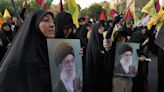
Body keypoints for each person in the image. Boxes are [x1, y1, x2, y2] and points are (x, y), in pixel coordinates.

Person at [0, 9, 55, 92]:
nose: (52, 25)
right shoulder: (22, 59)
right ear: (34, 24)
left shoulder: (50, 49)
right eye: (46, 20)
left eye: (53, 21)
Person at [84, 22, 106, 92]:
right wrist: (102, 53)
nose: (103, 28)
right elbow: (96, 56)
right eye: (100, 27)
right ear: (96, 29)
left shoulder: (101, 38)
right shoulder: (93, 42)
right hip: (94, 72)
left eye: (102, 27)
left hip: (100, 72)